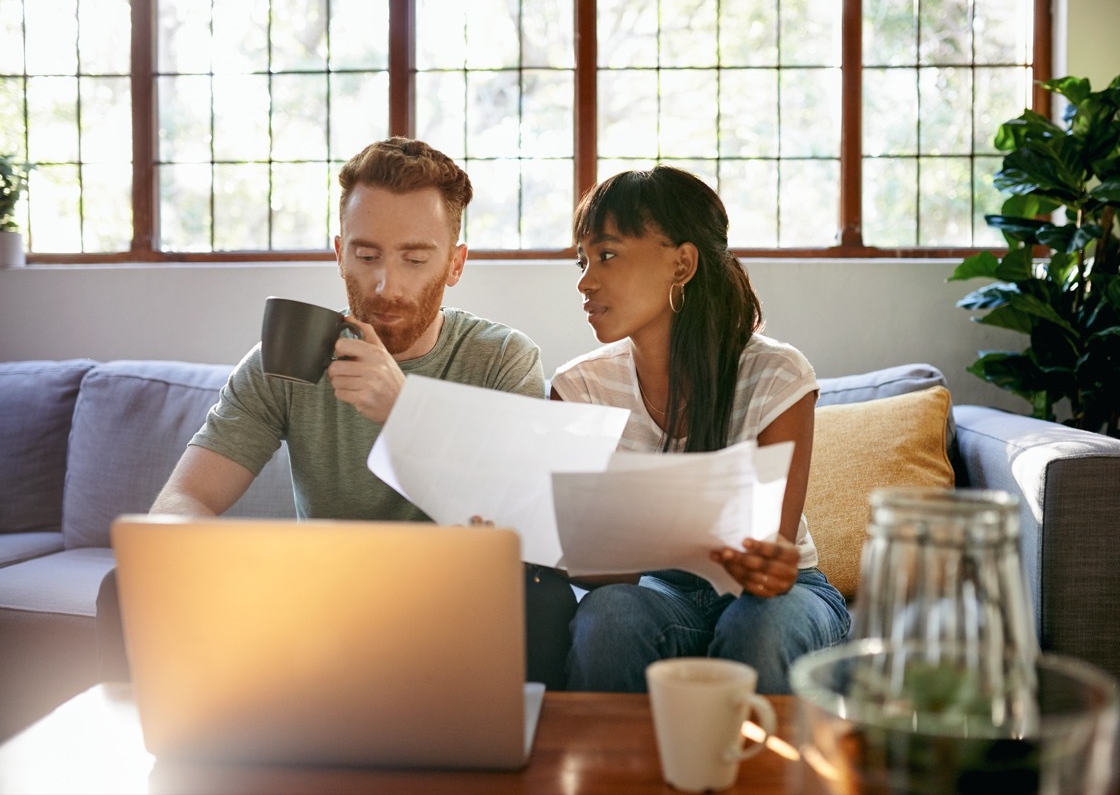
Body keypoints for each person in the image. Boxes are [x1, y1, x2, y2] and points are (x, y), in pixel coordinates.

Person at [97, 136, 577, 688]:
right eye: (366, 255)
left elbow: (528, 526)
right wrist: (221, 565)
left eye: (415, 259)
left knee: (539, 600)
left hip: (451, 595)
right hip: (323, 598)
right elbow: (184, 499)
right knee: (130, 585)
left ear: (455, 264)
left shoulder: (499, 358)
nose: (384, 284)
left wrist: (405, 410)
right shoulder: (288, 357)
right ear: (338, 252)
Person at [550, 166, 850, 694]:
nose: (585, 281)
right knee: (610, 619)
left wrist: (766, 559)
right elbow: (590, 568)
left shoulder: (776, 375)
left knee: (759, 625)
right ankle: (617, 777)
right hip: (658, 591)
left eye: (608, 255)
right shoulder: (580, 388)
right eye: (583, 261)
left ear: (681, 263)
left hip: (778, 596)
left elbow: (769, 563)